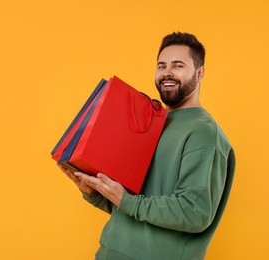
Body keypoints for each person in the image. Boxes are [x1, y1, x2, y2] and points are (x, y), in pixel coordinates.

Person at [58, 32, 236, 260]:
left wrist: (125, 200)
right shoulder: (151, 123)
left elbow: (194, 213)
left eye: (178, 65)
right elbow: (131, 207)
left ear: (199, 73)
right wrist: (94, 191)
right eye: (161, 66)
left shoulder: (204, 133)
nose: (167, 72)